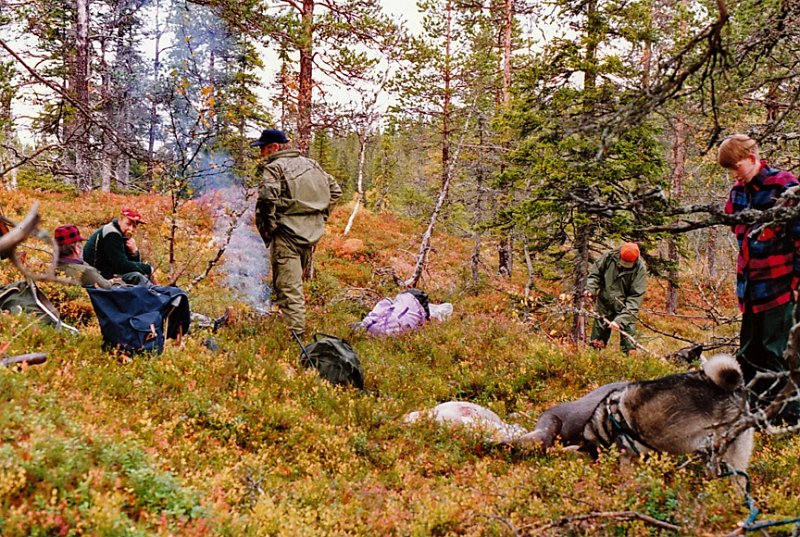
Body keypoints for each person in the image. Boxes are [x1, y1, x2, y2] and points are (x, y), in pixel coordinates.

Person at [721, 134, 800, 421]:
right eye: (730, 170)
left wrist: (796, 283)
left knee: (776, 353)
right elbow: (734, 224)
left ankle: (789, 417)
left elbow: (799, 237)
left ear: (753, 159)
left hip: (781, 286)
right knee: (749, 354)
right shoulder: (738, 192)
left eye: (737, 167)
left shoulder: (784, 186)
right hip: (751, 288)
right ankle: (753, 414)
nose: (734, 175)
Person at [252, 128, 342, 337]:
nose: (261, 154)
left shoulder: (275, 168)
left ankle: (295, 338)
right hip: (310, 235)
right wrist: (320, 217)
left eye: (263, 149)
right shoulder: (311, 165)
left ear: (274, 147)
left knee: (289, 287)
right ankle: (289, 326)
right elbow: (335, 191)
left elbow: (267, 199)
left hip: (287, 236)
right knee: (293, 284)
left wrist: (269, 226)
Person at [584, 242, 648, 354]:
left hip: (626, 309)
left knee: (629, 346)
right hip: (604, 304)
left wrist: (620, 320)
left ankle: (629, 367)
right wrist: (590, 288)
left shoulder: (640, 269)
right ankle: (594, 363)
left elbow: (635, 298)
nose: (625, 265)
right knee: (596, 342)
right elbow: (595, 273)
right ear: (619, 255)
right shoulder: (609, 257)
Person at [83, 208, 155, 286]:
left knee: (143, 275)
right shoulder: (112, 234)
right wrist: (148, 268)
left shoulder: (121, 234)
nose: (131, 229)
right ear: (120, 219)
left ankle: (159, 292)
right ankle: (158, 294)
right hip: (97, 278)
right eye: (128, 224)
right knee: (138, 276)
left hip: (107, 274)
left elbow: (128, 265)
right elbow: (121, 266)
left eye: (134, 226)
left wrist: (134, 252)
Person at [54, 225, 114, 289]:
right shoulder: (86, 272)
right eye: (80, 243)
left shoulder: (48, 268)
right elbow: (107, 288)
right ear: (77, 247)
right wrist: (113, 282)